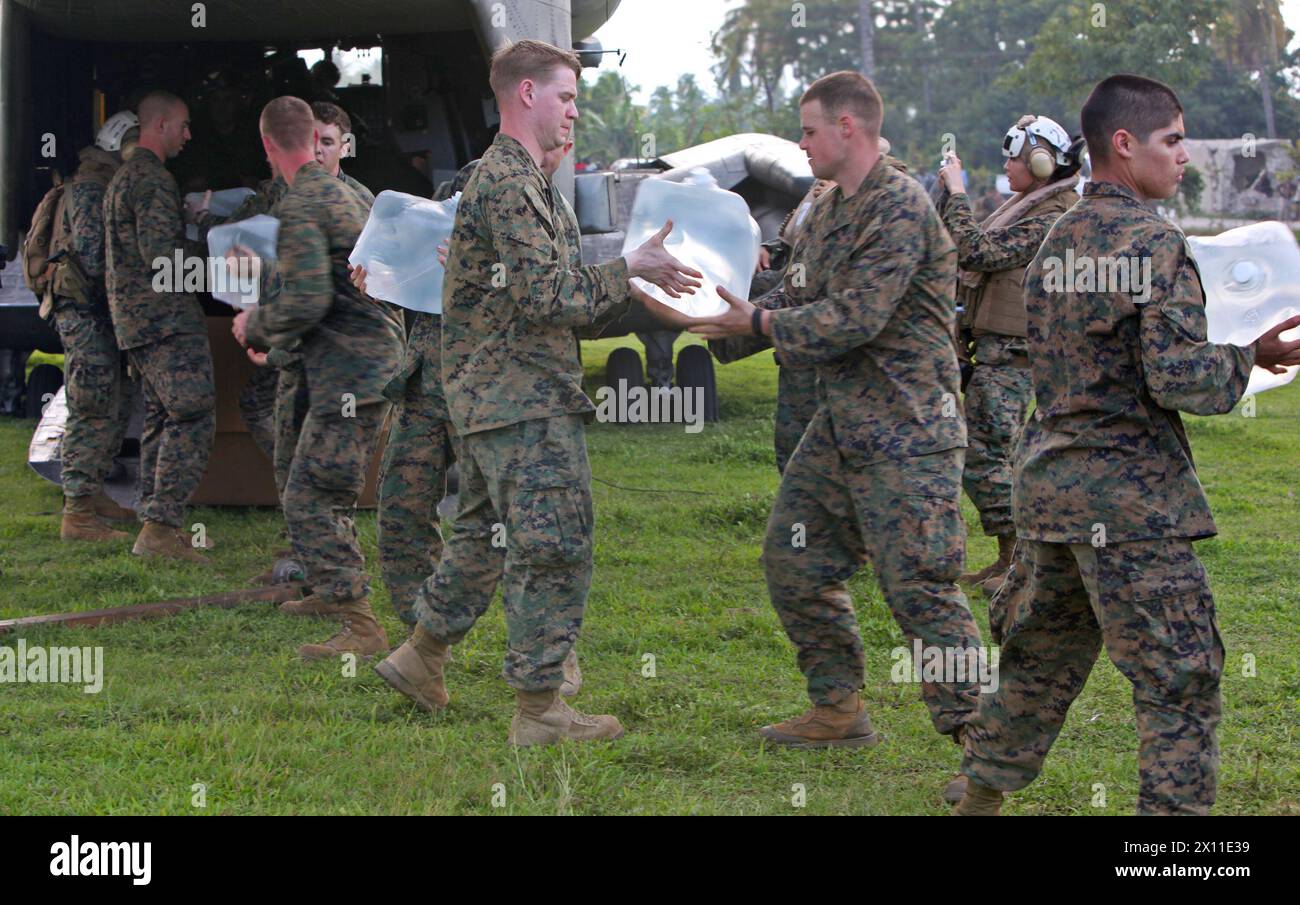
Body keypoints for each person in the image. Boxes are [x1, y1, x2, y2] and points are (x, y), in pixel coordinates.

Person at [952, 75, 1300, 816]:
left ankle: (977, 802)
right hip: (1132, 503)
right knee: (1180, 680)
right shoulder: (1153, 241)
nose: (1182, 157)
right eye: (1172, 140)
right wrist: (1250, 355)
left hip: (1050, 489)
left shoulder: (1057, 239)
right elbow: (1176, 377)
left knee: (1037, 667)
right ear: (1124, 144)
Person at [372, 39, 700, 746]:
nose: (575, 113)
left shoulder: (510, 179)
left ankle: (420, 655)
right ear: (527, 95)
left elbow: (548, 295)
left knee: (481, 541)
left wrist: (628, 279)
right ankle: (541, 708)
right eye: (567, 97)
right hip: (520, 399)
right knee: (555, 542)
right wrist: (628, 266)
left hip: (498, 396)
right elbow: (548, 294)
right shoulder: (511, 180)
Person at [690, 73, 983, 789]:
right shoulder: (825, 209)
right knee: (795, 559)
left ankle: (985, 742)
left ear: (849, 127)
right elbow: (797, 296)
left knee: (921, 586)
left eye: (810, 129)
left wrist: (753, 321)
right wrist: (711, 316)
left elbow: (854, 317)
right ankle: (838, 707)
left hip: (909, 430)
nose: (802, 142)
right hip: (843, 424)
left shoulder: (900, 206)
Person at [231, 96, 404, 660]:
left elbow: (305, 300)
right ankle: (334, 593)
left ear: (266, 144)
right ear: (313, 138)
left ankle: (360, 624)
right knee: (315, 483)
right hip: (348, 364)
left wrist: (254, 325)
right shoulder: (338, 194)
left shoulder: (303, 200)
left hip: (351, 371)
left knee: (312, 493)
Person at [937, 116, 1083, 598]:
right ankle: (1011, 559)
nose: (1005, 165)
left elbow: (974, 250)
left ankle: (1022, 563)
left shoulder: (1052, 216)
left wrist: (957, 192)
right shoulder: (1026, 206)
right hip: (1000, 356)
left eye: (1013, 157)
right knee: (1000, 459)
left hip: (1019, 361)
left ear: (1040, 163)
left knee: (982, 457)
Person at [104, 91, 216, 563]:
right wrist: (217, 253)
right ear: (162, 124)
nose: (189, 136)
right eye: (185, 126)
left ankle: (152, 521)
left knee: (160, 416)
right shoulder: (151, 179)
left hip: (136, 319)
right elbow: (160, 258)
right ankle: (161, 528)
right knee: (192, 412)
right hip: (164, 317)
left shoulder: (124, 177)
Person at [50, 112, 141, 542]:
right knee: (92, 403)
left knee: (115, 401)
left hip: (98, 312)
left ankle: (93, 493)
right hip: (86, 314)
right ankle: (78, 512)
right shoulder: (91, 186)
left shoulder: (103, 181)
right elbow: (92, 255)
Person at [311, 102, 373, 205]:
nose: (316, 149)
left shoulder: (360, 200)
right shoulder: (281, 191)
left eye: (327, 143)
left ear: (344, 150)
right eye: (310, 141)